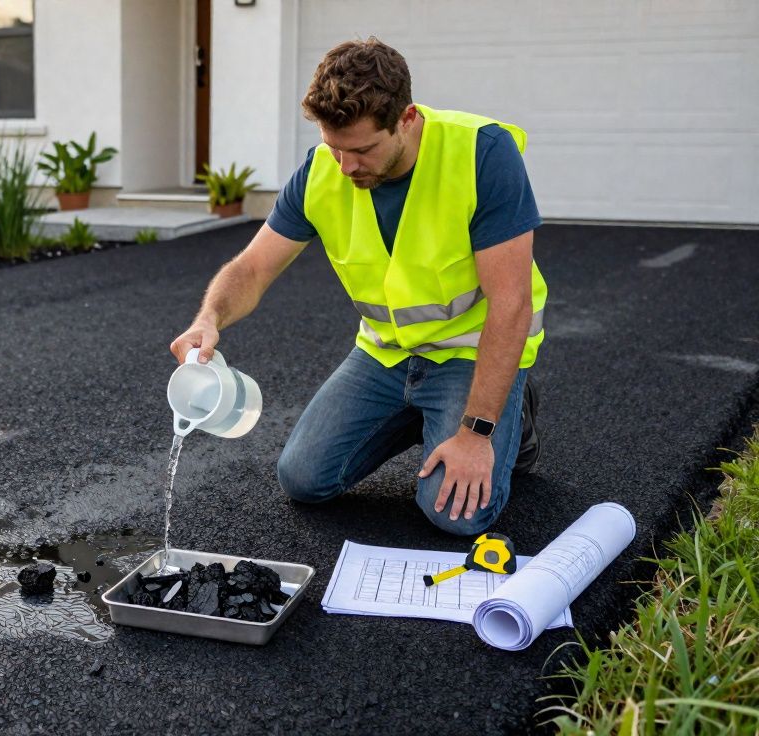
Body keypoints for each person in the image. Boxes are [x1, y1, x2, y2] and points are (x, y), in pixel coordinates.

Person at [169, 37, 544, 536]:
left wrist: (476, 432)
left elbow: (512, 305)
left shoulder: (482, 153)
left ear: (406, 118)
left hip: (470, 353)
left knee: (457, 515)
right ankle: (427, 417)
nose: (346, 167)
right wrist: (208, 318)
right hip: (386, 356)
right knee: (303, 479)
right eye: (334, 147)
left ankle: (506, 416)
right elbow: (253, 268)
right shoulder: (323, 170)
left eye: (363, 149)